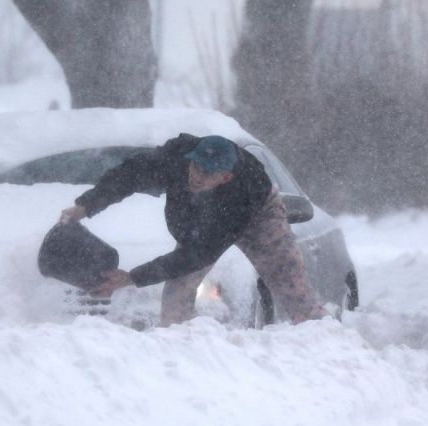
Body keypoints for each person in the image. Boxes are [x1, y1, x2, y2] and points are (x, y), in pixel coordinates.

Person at [60, 134, 329, 326]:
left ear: (226, 176)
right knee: (176, 294)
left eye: (207, 173)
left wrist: (132, 277)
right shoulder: (176, 157)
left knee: (291, 285)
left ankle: (324, 342)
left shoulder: (243, 192)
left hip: (260, 215)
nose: (197, 176)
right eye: (196, 167)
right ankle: (181, 355)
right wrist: (87, 205)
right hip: (202, 223)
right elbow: (129, 174)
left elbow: (197, 255)